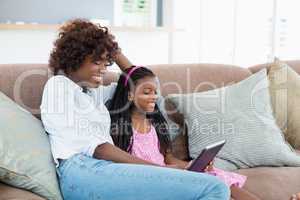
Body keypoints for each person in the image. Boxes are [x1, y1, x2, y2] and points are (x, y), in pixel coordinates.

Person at [40, 19, 230, 200]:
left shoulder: (91, 94)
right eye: (96, 62)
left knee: (205, 183)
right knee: (214, 187)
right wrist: (161, 169)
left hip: (101, 170)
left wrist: (112, 51)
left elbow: (137, 79)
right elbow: (98, 149)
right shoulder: (59, 86)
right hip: (81, 171)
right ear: (75, 58)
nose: (103, 69)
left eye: (105, 63)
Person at [108, 66, 263, 200]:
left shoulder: (155, 123)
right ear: (130, 94)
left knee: (214, 175)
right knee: (211, 183)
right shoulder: (119, 128)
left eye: (156, 92)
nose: (154, 97)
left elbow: (168, 159)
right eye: (147, 92)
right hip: (150, 180)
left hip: (170, 174)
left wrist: (194, 165)